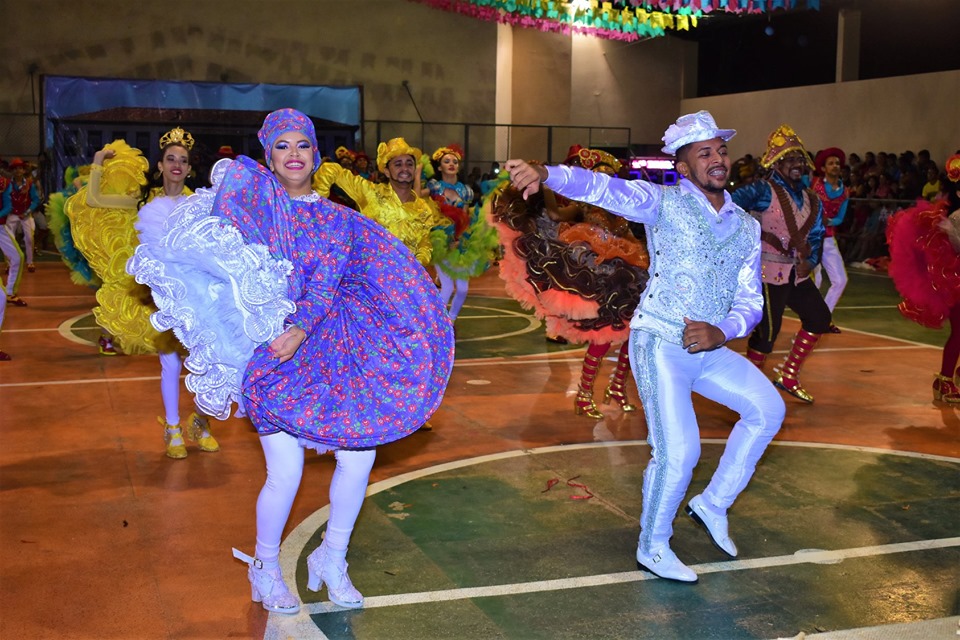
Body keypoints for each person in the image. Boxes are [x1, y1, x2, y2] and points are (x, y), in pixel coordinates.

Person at [128, 108, 455, 613]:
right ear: (269, 156)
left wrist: (301, 326)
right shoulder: (247, 209)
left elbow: (326, 285)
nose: (294, 153)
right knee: (285, 470)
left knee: (359, 455)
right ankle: (263, 567)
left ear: (315, 153)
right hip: (270, 353)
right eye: (282, 145)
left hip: (331, 348)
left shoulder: (336, 218)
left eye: (302, 144)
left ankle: (333, 557)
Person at [505, 110, 785, 583]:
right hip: (660, 342)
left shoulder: (745, 225)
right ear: (683, 166)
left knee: (767, 410)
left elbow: (751, 299)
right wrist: (547, 172)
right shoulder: (663, 203)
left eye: (720, 151)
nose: (717, 160)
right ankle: (653, 546)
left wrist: (724, 330)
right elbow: (601, 189)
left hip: (711, 350)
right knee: (679, 452)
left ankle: (712, 503)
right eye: (704, 153)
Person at [65, 128, 220, 457]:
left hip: (195, 295)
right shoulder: (142, 199)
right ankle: (174, 429)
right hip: (158, 295)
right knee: (171, 364)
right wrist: (96, 163)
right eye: (170, 159)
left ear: (190, 169)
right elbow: (95, 200)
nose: (177, 165)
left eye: (183, 160)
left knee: (211, 364)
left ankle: (201, 421)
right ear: (160, 166)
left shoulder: (199, 204)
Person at [490, 145, 648, 419]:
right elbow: (554, 216)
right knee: (603, 337)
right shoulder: (582, 207)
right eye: (601, 178)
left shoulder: (622, 211)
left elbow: (636, 239)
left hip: (631, 279)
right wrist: (545, 185)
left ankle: (618, 387)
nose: (607, 184)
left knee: (635, 336)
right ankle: (584, 395)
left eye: (610, 178)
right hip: (600, 281)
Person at [732, 124, 832, 404]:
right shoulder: (762, 190)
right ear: (776, 163)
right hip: (766, 272)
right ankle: (745, 394)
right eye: (790, 159)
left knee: (819, 318)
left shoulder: (813, 199)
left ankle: (788, 375)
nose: (797, 164)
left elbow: (816, 235)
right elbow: (729, 206)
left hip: (796, 275)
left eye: (800, 159)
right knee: (767, 335)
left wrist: (810, 262)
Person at [886, 153, 960, 403]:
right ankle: (945, 380)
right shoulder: (956, 218)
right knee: (959, 333)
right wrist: (950, 233)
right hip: (956, 284)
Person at [313, 137, 449, 267]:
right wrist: (318, 212)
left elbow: (424, 244)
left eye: (409, 164)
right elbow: (329, 170)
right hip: (369, 279)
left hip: (404, 281)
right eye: (398, 164)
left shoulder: (423, 208)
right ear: (387, 172)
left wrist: (416, 265)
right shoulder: (370, 192)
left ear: (414, 170)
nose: (405, 169)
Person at [424, 144, 499, 322]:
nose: (451, 164)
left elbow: (464, 217)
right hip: (440, 239)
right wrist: (419, 168)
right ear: (439, 166)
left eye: (455, 162)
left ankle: (451, 320)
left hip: (459, 242)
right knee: (448, 288)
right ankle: (438, 323)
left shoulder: (466, 190)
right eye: (446, 161)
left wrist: (462, 239)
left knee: (463, 289)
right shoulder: (434, 186)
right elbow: (417, 195)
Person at [808, 147, 849, 330]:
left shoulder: (844, 192)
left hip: (828, 238)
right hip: (810, 238)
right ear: (823, 168)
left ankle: (823, 318)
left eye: (837, 163)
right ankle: (811, 321)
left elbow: (840, 217)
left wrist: (828, 220)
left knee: (840, 280)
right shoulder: (813, 183)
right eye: (831, 163)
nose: (835, 166)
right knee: (814, 281)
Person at [2, 158, 41, 273]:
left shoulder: (29, 184)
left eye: (20, 168)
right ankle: (9, 264)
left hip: (26, 214)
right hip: (12, 214)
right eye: (15, 169)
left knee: (29, 238)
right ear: (12, 171)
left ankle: (30, 262)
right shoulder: (8, 184)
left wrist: (28, 212)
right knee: (9, 239)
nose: (18, 171)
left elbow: (35, 200)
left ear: (24, 170)